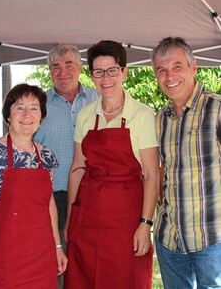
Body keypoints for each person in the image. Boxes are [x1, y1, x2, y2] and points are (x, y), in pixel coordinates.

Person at [64, 40, 159, 289]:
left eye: (112, 70)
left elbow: (151, 174)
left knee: (125, 280)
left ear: (124, 72)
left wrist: (144, 225)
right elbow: (77, 169)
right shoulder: (85, 115)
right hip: (87, 217)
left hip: (126, 220)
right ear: (91, 75)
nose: (105, 78)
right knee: (84, 279)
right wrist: (70, 219)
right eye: (98, 72)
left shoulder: (142, 114)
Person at [0, 83, 68, 289]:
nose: (27, 114)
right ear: (8, 115)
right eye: (19, 107)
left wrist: (57, 246)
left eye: (34, 108)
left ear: (41, 117)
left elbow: (48, 202)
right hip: (4, 255)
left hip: (41, 255)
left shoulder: (47, 156)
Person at [151, 36, 221, 289]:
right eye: (162, 70)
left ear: (194, 68)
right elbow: (161, 170)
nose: (170, 76)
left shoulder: (217, 109)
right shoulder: (160, 118)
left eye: (177, 66)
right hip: (169, 238)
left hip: (212, 237)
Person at [34, 44, 99, 244]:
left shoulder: (98, 100)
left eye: (69, 64)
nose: (62, 71)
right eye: (56, 66)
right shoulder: (37, 104)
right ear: (49, 71)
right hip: (51, 199)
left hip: (93, 195)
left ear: (80, 68)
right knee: (56, 261)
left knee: (89, 260)